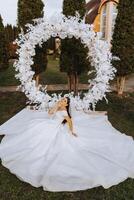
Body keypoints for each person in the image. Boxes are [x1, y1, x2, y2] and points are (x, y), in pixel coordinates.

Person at [0, 97, 134, 192]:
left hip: (54, 127)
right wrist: (55, 106)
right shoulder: (58, 107)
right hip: (48, 123)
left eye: (65, 101)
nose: (63, 102)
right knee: (33, 128)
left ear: (67, 104)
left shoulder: (64, 112)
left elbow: (69, 121)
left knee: (47, 139)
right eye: (62, 100)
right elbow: (50, 113)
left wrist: (72, 131)